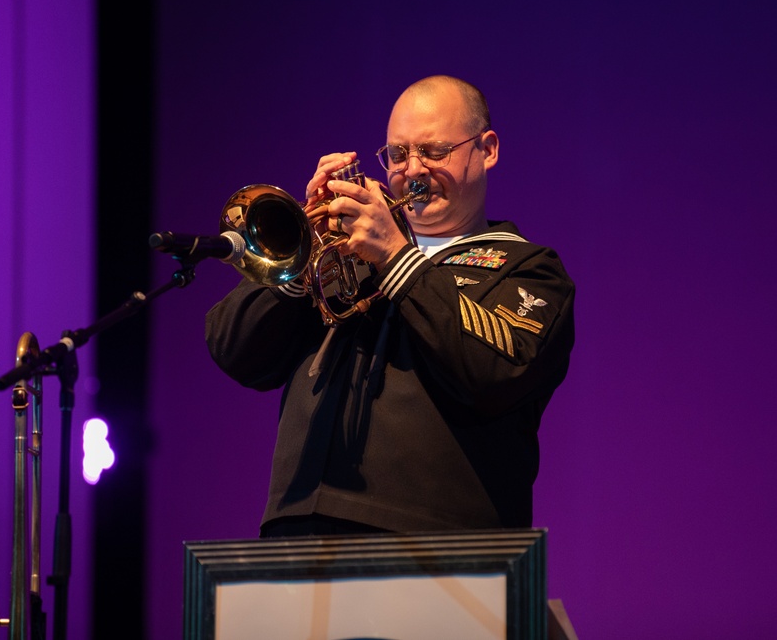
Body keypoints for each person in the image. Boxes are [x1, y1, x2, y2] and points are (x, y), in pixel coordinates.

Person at [205, 75, 575, 538]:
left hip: (432, 542)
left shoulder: (528, 268)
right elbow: (232, 350)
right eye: (398, 154)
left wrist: (396, 257)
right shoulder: (351, 255)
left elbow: (495, 372)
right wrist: (307, 249)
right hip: (295, 532)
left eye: (434, 152)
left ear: (488, 149)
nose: (413, 170)